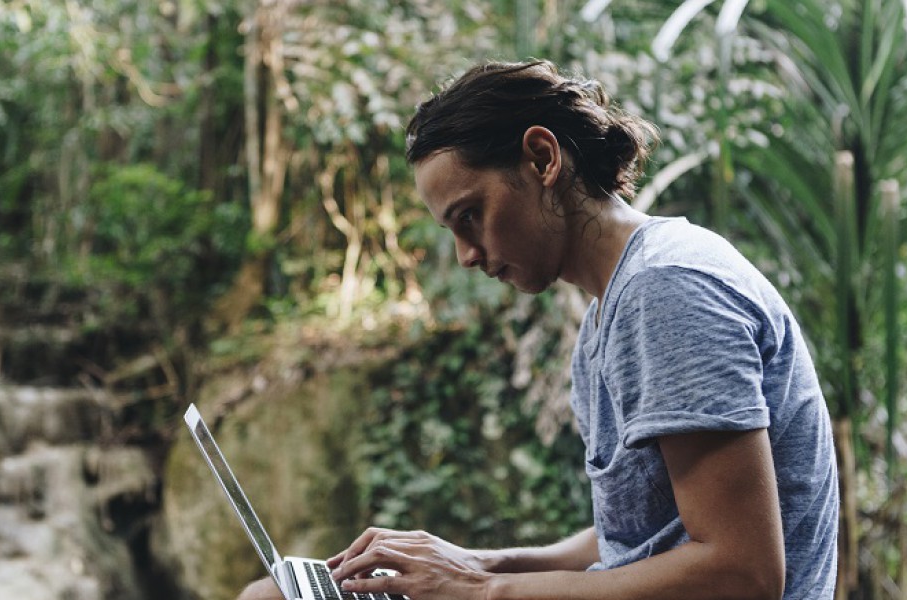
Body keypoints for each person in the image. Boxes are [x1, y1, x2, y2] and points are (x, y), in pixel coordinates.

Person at [238, 59, 838, 600]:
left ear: (543, 158)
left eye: (470, 216)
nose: (467, 256)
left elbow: (742, 574)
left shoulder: (667, 288)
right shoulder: (607, 316)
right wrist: (483, 562)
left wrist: (480, 591)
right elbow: (630, 539)